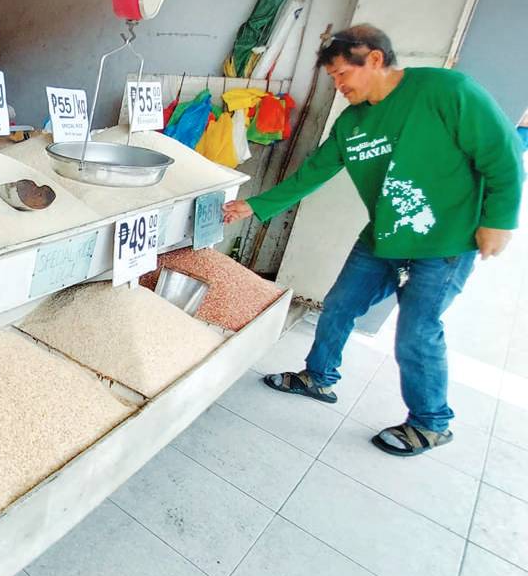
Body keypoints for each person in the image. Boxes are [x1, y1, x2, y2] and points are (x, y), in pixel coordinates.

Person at [223, 24, 523, 457]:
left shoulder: (447, 91)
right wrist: (255, 206)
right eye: (333, 79)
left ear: (376, 59)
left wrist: (498, 219)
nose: (339, 86)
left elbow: (503, 153)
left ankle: (431, 422)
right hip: (383, 237)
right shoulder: (351, 123)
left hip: (445, 242)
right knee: (339, 305)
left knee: (417, 333)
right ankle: (318, 378)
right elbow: (315, 172)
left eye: (343, 74)